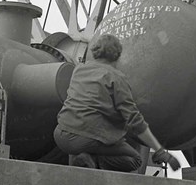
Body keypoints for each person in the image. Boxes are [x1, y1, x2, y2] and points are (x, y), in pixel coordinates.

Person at [54, 33, 180, 173]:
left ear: (95, 51)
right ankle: (93, 160)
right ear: (117, 55)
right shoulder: (115, 78)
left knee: (83, 141)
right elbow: (135, 121)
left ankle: (84, 159)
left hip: (61, 136)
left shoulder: (79, 69)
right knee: (135, 160)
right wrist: (160, 150)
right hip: (84, 139)